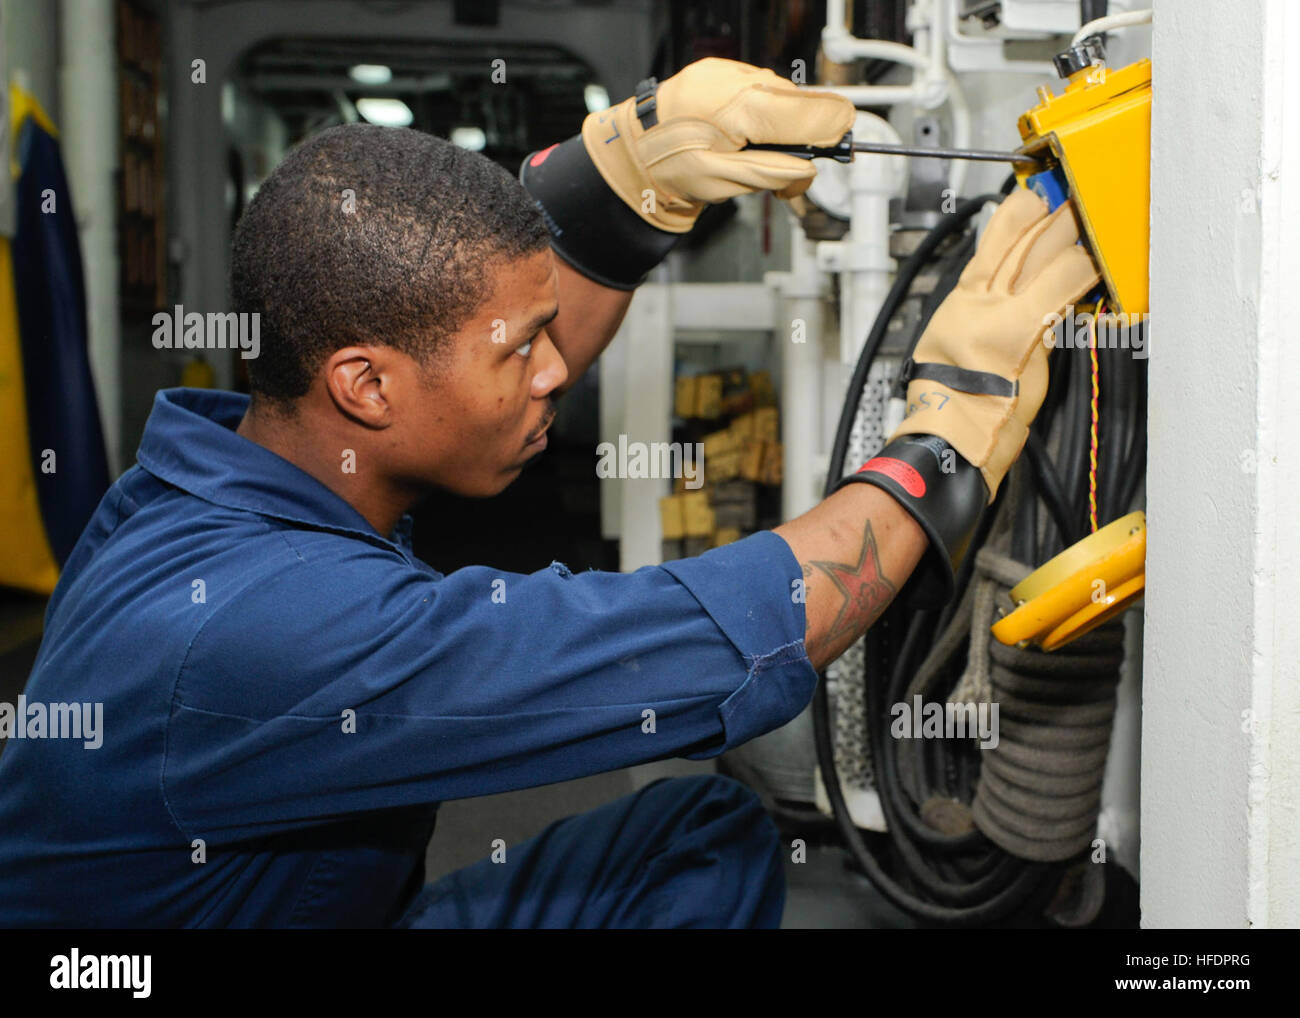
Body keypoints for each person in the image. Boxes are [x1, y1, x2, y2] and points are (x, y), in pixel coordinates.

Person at [0, 59, 1097, 928]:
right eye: (521, 348)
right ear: (366, 385)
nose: (557, 370)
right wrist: (946, 429)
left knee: (700, 832)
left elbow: (467, 340)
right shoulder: (264, 631)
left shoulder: (215, 472)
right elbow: (721, 634)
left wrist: (621, 176)